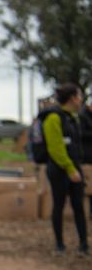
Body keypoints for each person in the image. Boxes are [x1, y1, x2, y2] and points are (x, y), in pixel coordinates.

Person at [42, 83, 87, 256]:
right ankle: (59, 244)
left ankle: (84, 245)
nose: (81, 99)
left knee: (79, 206)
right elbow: (55, 148)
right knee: (59, 205)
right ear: (72, 98)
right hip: (59, 169)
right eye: (79, 96)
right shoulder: (53, 118)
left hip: (74, 167)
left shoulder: (73, 118)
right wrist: (69, 168)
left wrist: (76, 167)